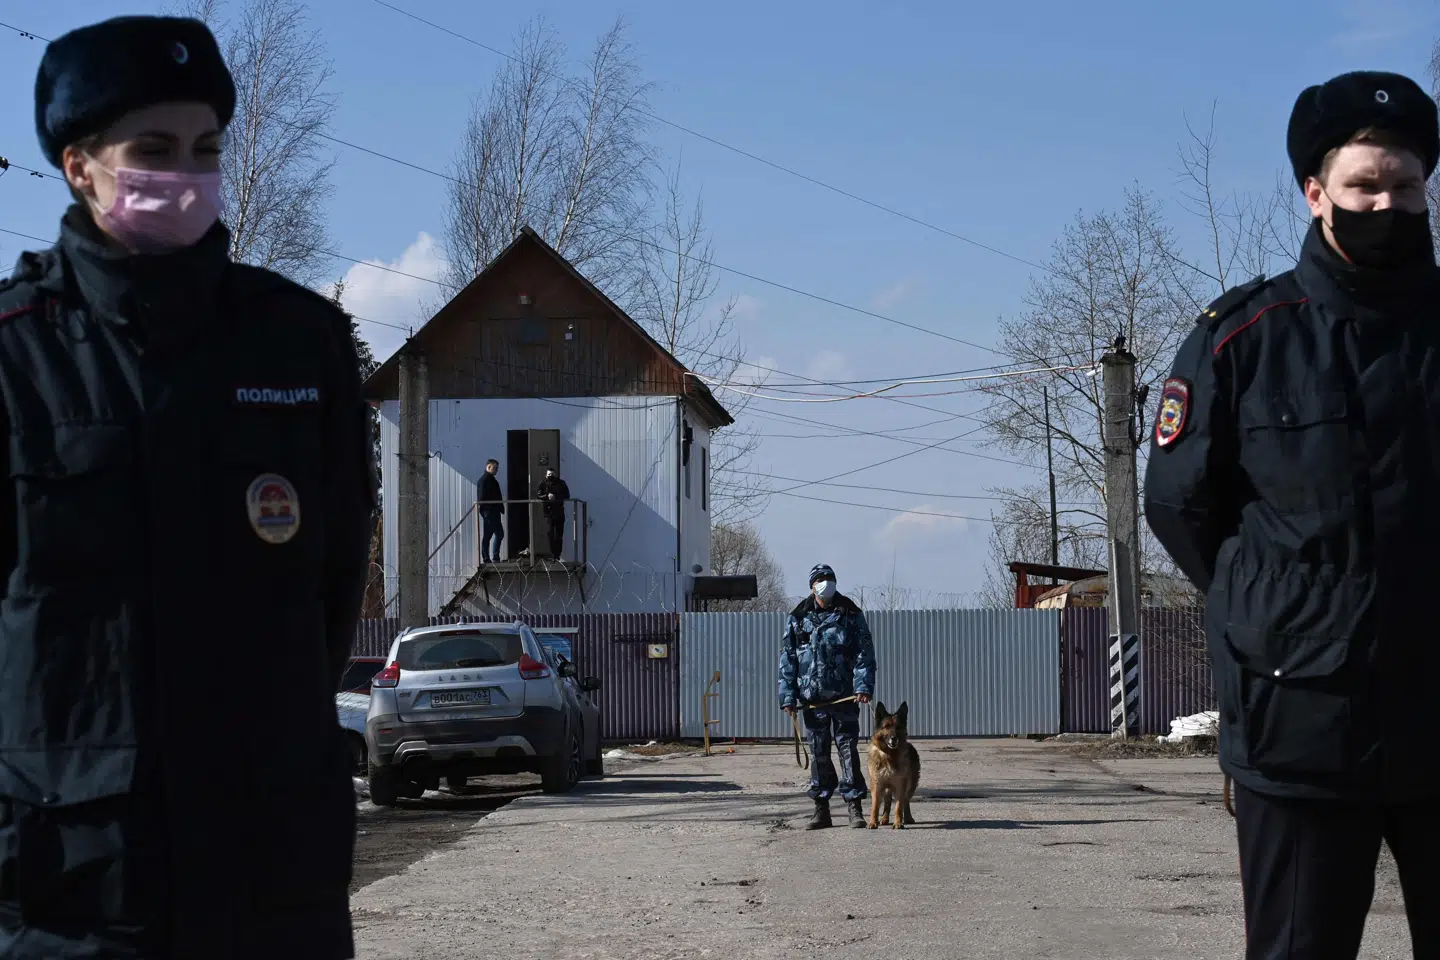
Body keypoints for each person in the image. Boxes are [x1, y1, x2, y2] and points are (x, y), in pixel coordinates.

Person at [0, 15, 373, 959]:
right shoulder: (14, 355)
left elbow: (330, 591)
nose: (186, 174)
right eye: (154, 149)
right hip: (73, 878)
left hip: (267, 865)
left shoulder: (298, 343)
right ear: (80, 164)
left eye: (205, 148)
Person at [1144, 70, 1440, 960]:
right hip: (1304, 728)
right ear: (1317, 195)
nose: (1387, 204)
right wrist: (1274, 609)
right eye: (1364, 187)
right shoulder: (1245, 339)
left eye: (1406, 186)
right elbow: (1178, 506)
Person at [777, 564, 876, 830]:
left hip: (844, 697)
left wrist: (863, 686)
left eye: (829, 579)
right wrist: (787, 696)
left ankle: (854, 807)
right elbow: (788, 659)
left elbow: (863, 654)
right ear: (812, 585)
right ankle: (821, 809)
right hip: (812, 699)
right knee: (819, 753)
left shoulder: (850, 614)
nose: (826, 583)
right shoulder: (799, 616)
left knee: (847, 751)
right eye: (820, 580)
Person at [536, 467, 570, 559]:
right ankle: (552, 553)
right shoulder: (543, 483)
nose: (550, 476)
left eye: (552, 474)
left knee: (559, 534)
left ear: (555, 475)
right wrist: (547, 496)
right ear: (546, 475)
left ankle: (557, 555)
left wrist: (556, 496)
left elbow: (567, 495)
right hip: (548, 512)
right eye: (549, 475)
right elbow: (538, 495)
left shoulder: (561, 483)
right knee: (550, 533)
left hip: (559, 511)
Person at [478, 457, 504, 563]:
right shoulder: (484, 480)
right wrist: (488, 510)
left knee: (490, 535)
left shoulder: (491, 480)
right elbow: (481, 498)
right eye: (495, 468)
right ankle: (492, 557)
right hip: (489, 512)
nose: (497, 470)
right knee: (497, 534)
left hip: (493, 512)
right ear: (489, 466)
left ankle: (489, 557)